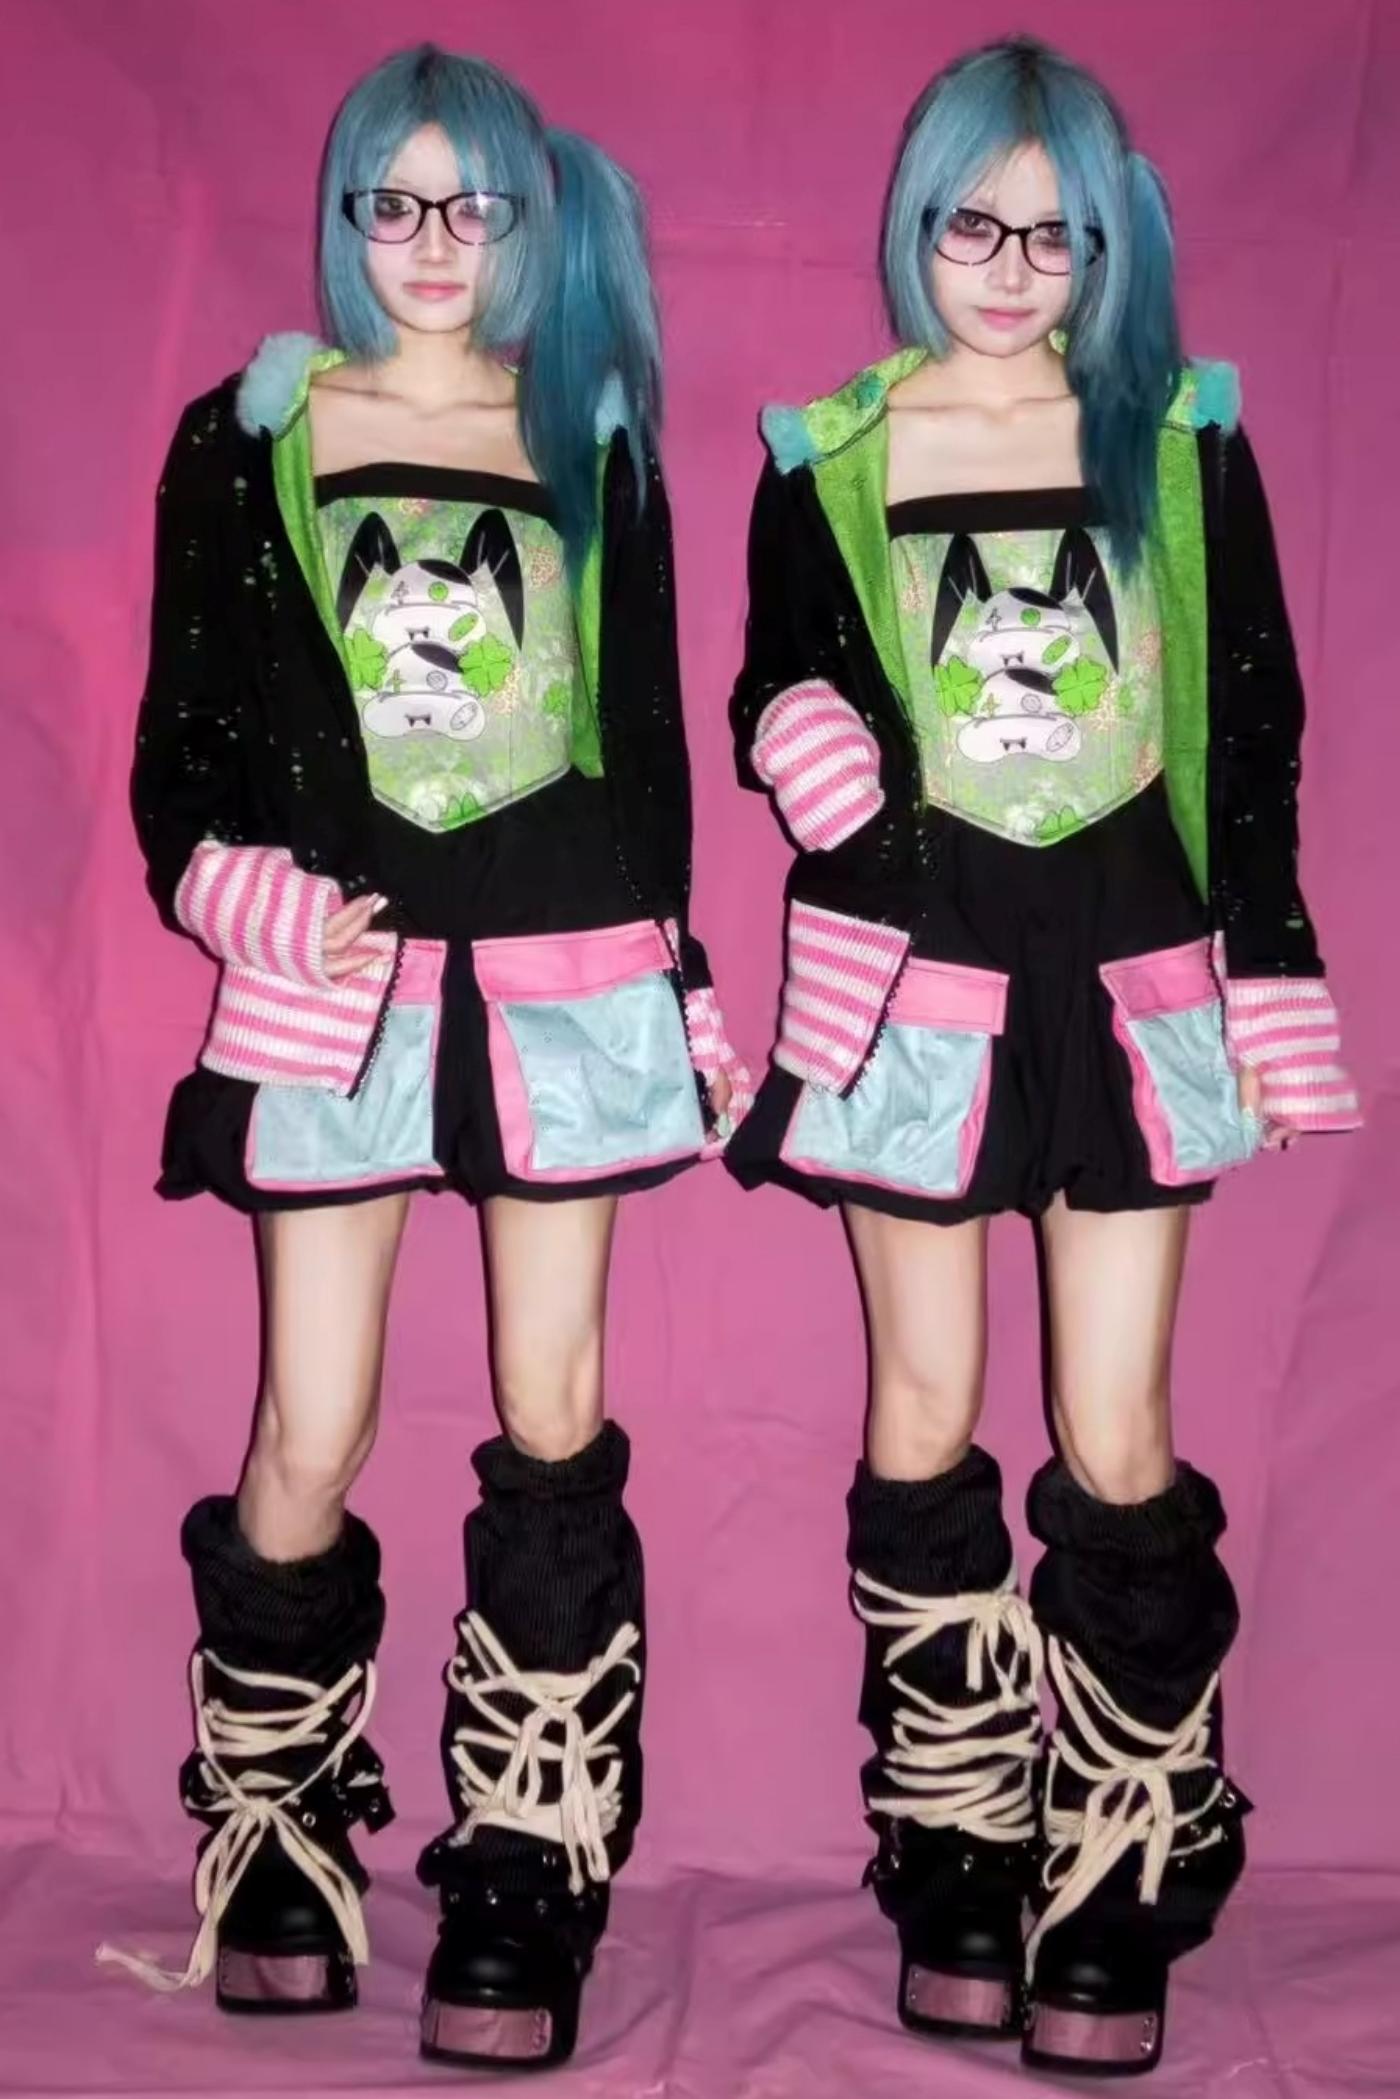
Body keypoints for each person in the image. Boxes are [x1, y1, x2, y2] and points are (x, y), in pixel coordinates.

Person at [103, 43, 748, 2073]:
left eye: (476, 206)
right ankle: (281, 1838)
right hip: (335, 981)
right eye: (395, 202)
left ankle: (528, 1861)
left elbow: (643, 749)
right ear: (344, 216)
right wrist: (241, 891)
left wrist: (682, 983)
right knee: (311, 1419)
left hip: (564, 969)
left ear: (532, 222)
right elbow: (185, 740)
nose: (435, 243)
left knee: (555, 1406)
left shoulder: (594, 431)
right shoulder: (254, 433)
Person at [726, 34, 1358, 2076]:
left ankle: (1117, 1857)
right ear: (912, 227)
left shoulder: (1177, 436)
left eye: (1052, 233)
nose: (1007, 270)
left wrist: (1267, 966)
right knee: (922, 1403)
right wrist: (808, 748)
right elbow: (774, 677)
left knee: (1116, 1423)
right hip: (913, 975)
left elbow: (1251, 727)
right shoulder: (825, 451)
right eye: (968, 226)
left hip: (1130, 964)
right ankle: (954, 1849)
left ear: (1109, 242)